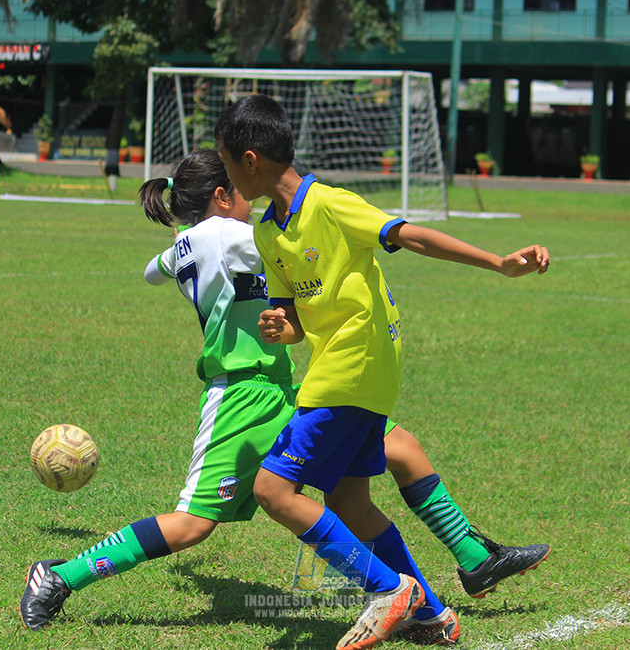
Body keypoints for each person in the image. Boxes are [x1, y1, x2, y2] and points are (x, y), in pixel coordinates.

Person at [18, 149, 550, 645]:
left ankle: (446, 586)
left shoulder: (191, 243)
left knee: (390, 457)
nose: (254, 202)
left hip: (285, 386)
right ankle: (58, 576)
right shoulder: (226, 232)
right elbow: (297, 247)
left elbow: (152, 272)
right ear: (224, 196)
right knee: (192, 525)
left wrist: (182, 254)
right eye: (242, 192)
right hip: (240, 398)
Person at [212, 94, 550, 649]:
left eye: (226, 164)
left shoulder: (329, 204)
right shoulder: (269, 232)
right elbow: (296, 316)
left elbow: (410, 235)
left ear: (250, 160)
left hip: (353, 370)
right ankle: (432, 614)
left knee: (273, 489)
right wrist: (283, 327)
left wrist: (497, 263)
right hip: (343, 370)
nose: (226, 178)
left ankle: (388, 589)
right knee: (349, 502)